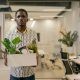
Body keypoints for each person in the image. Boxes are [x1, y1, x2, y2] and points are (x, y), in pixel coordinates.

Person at [4, 9, 38, 80]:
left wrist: (36, 59)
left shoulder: (33, 33)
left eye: (23, 16)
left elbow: (35, 50)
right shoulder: (9, 34)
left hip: (29, 73)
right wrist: (6, 58)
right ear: (15, 19)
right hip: (15, 74)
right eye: (18, 16)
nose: (21, 18)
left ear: (27, 19)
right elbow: (6, 51)